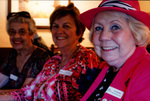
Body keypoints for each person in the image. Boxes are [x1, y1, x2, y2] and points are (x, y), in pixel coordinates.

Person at [0, 3, 100, 100]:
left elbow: (91, 96)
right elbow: (28, 91)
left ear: (79, 32)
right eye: (55, 26)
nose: (59, 31)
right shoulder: (53, 61)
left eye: (66, 26)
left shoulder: (86, 57)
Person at [79, 0, 150, 100]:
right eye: (98, 28)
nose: (103, 37)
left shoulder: (147, 72)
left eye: (115, 27)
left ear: (136, 34)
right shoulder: (105, 68)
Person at [0, 11, 50, 90]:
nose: (16, 36)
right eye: (12, 32)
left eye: (22, 32)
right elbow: (1, 79)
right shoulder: (13, 54)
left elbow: (25, 92)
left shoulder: (40, 56)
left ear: (32, 34)